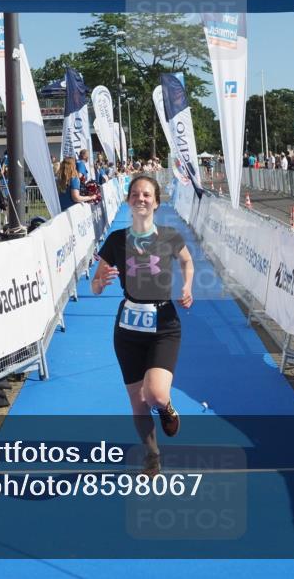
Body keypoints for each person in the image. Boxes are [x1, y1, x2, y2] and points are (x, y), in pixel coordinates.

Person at [91, 175, 194, 477]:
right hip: (128, 328)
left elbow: (187, 262)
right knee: (138, 402)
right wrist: (100, 281)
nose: (141, 198)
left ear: (156, 202)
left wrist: (188, 287)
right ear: (128, 201)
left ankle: (167, 409)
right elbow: (96, 285)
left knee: (157, 395)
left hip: (164, 324)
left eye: (147, 194)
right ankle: (153, 455)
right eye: (135, 194)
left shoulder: (170, 237)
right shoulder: (116, 241)